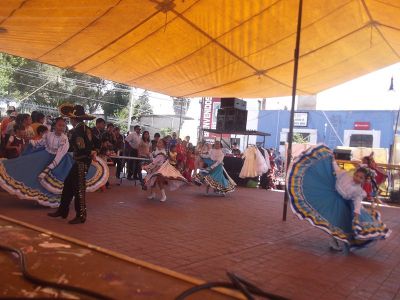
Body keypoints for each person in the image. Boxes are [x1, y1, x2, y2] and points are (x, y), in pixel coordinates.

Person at [286, 145, 390, 252]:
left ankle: (335, 241)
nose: (358, 178)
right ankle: (334, 241)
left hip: (341, 204)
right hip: (330, 194)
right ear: (354, 173)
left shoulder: (359, 191)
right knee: (329, 218)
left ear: (364, 180)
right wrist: (332, 159)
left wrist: (357, 214)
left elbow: (357, 203)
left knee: (336, 223)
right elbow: (335, 168)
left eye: (361, 178)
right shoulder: (345, 175)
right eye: (357, 175)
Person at [48, 105, 98, 224]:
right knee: (68, 184)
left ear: (74, 119)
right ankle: (63, 210)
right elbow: (96, 143)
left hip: (81, 161)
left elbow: (81, 148)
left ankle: (81, 215)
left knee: (79, 189)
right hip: (82, 161)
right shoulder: (88, 129)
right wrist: (94, 151)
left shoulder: (77, 131)